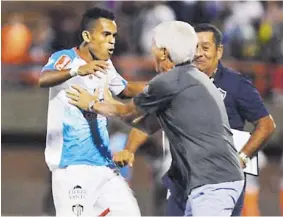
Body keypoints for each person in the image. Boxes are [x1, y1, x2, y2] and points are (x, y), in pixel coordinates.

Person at [66, 20, 245, 216]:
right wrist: (129, 146)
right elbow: (146, 123)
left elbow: (127, 111)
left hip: (213, 183)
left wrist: (91, 103)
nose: (151, 50)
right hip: (211, 181)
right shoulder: (192, 77)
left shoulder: (169, 82)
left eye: (154, 45)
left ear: (164, 52)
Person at [39, 7, 145, 216]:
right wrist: (76, 71)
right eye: (106, 34)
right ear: (87, 36)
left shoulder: (106, 65)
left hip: (104, 166)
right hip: (72, 167)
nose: (112, 41)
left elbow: (125, 89)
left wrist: (165, 85)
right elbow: (43, 79)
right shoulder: (66, 58)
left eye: (114, 35)